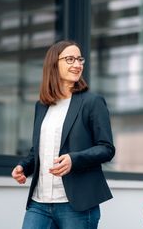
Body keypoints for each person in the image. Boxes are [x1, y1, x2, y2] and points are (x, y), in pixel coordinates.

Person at [11, 40, 115, 229]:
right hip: (39, 202)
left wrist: (73, 160)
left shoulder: (92, 102)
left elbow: (106, 149)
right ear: (54, 64)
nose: (77, 64)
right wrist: (23, 167)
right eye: (70, 59)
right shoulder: (42, 106)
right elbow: (38, 150)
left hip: (76, 206)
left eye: (79, 59)